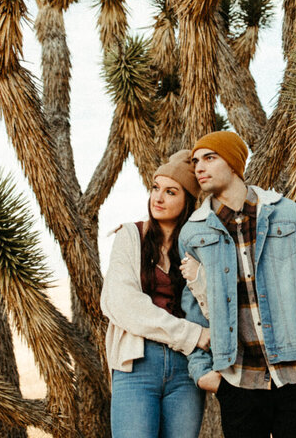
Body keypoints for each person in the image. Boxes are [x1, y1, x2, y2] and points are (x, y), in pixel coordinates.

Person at [177, 131, 296, 438]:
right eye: (196, 160)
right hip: (237, 382)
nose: (199, 167)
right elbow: (194, 314)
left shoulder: (286, 214)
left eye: (210, 158)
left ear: (235, 164)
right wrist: (204, 375)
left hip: (295, 375)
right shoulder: (193, 234)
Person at [101, 149, 212, 438]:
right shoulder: (130, 236)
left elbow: (212, 305)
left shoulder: (198, 246)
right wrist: (193, 335)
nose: (158, 198)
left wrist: (199, 276)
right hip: (137, 364)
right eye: (155, 188)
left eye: (171, 191)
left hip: (186, 369)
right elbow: (123, 304)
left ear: (187, 199)